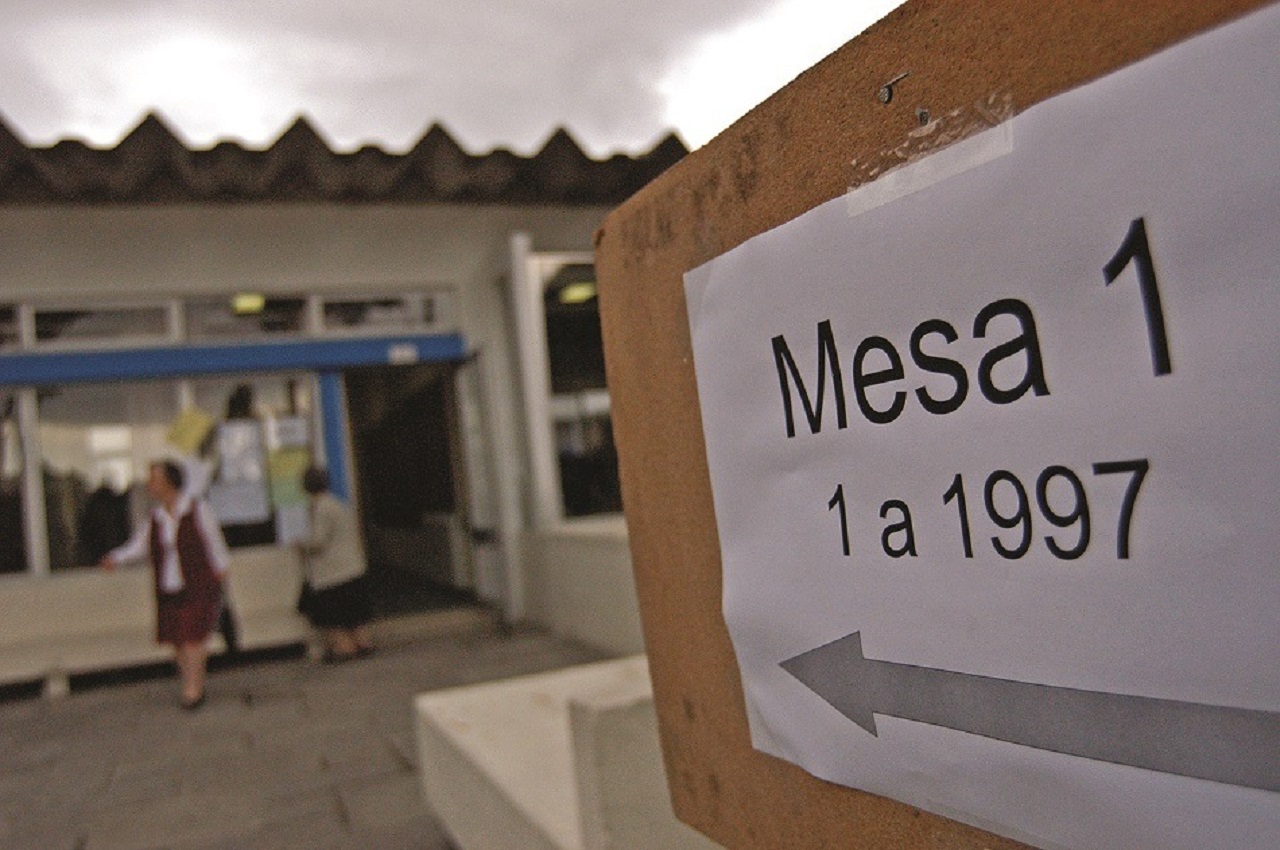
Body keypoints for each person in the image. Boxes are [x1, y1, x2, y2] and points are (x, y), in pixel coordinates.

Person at [100, 460, 229, 710]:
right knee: (177, 638)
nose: (149, 485)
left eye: (154, 480)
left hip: (198, 582)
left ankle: (193, 688)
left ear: (169, 483)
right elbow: (139, 545)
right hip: (169, 584)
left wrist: (221, 569)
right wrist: (116, 558)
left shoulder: (197, 509)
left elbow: (214, 540)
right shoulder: (156, 517)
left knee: (193, 637)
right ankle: (190, 680)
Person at [295, 465, 373, 661]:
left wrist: (300, 544)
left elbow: (318, 541)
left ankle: (345, 648)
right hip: (352, 567)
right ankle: (362, 643)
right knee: (354, 615)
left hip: (332, 574)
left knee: (333, 618)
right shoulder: (339, 504)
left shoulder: (321, 508)